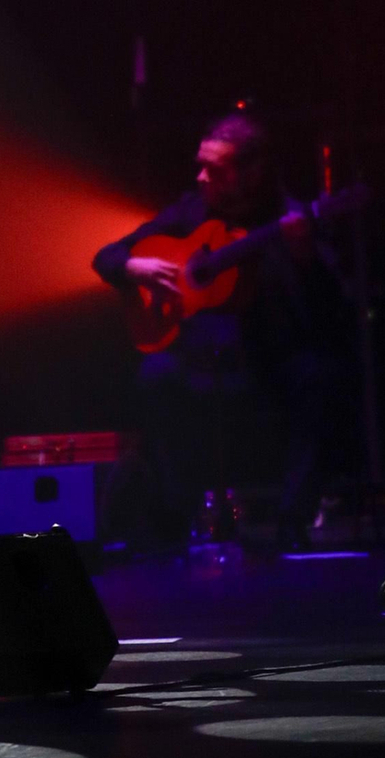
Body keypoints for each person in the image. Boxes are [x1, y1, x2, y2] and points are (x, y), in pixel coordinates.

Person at [93, 109, 351, 552]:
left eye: (215, 169)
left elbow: (331, 303)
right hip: (201, 361)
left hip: (265, 362)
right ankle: (173, 521)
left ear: (251, 173)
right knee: (155, 375)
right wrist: (132, 266)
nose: (201, 176)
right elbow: (108, 255)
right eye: (200, 164)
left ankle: (292, 522)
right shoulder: (191, 211)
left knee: (319, 379)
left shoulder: (288, 218)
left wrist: (305, 257)